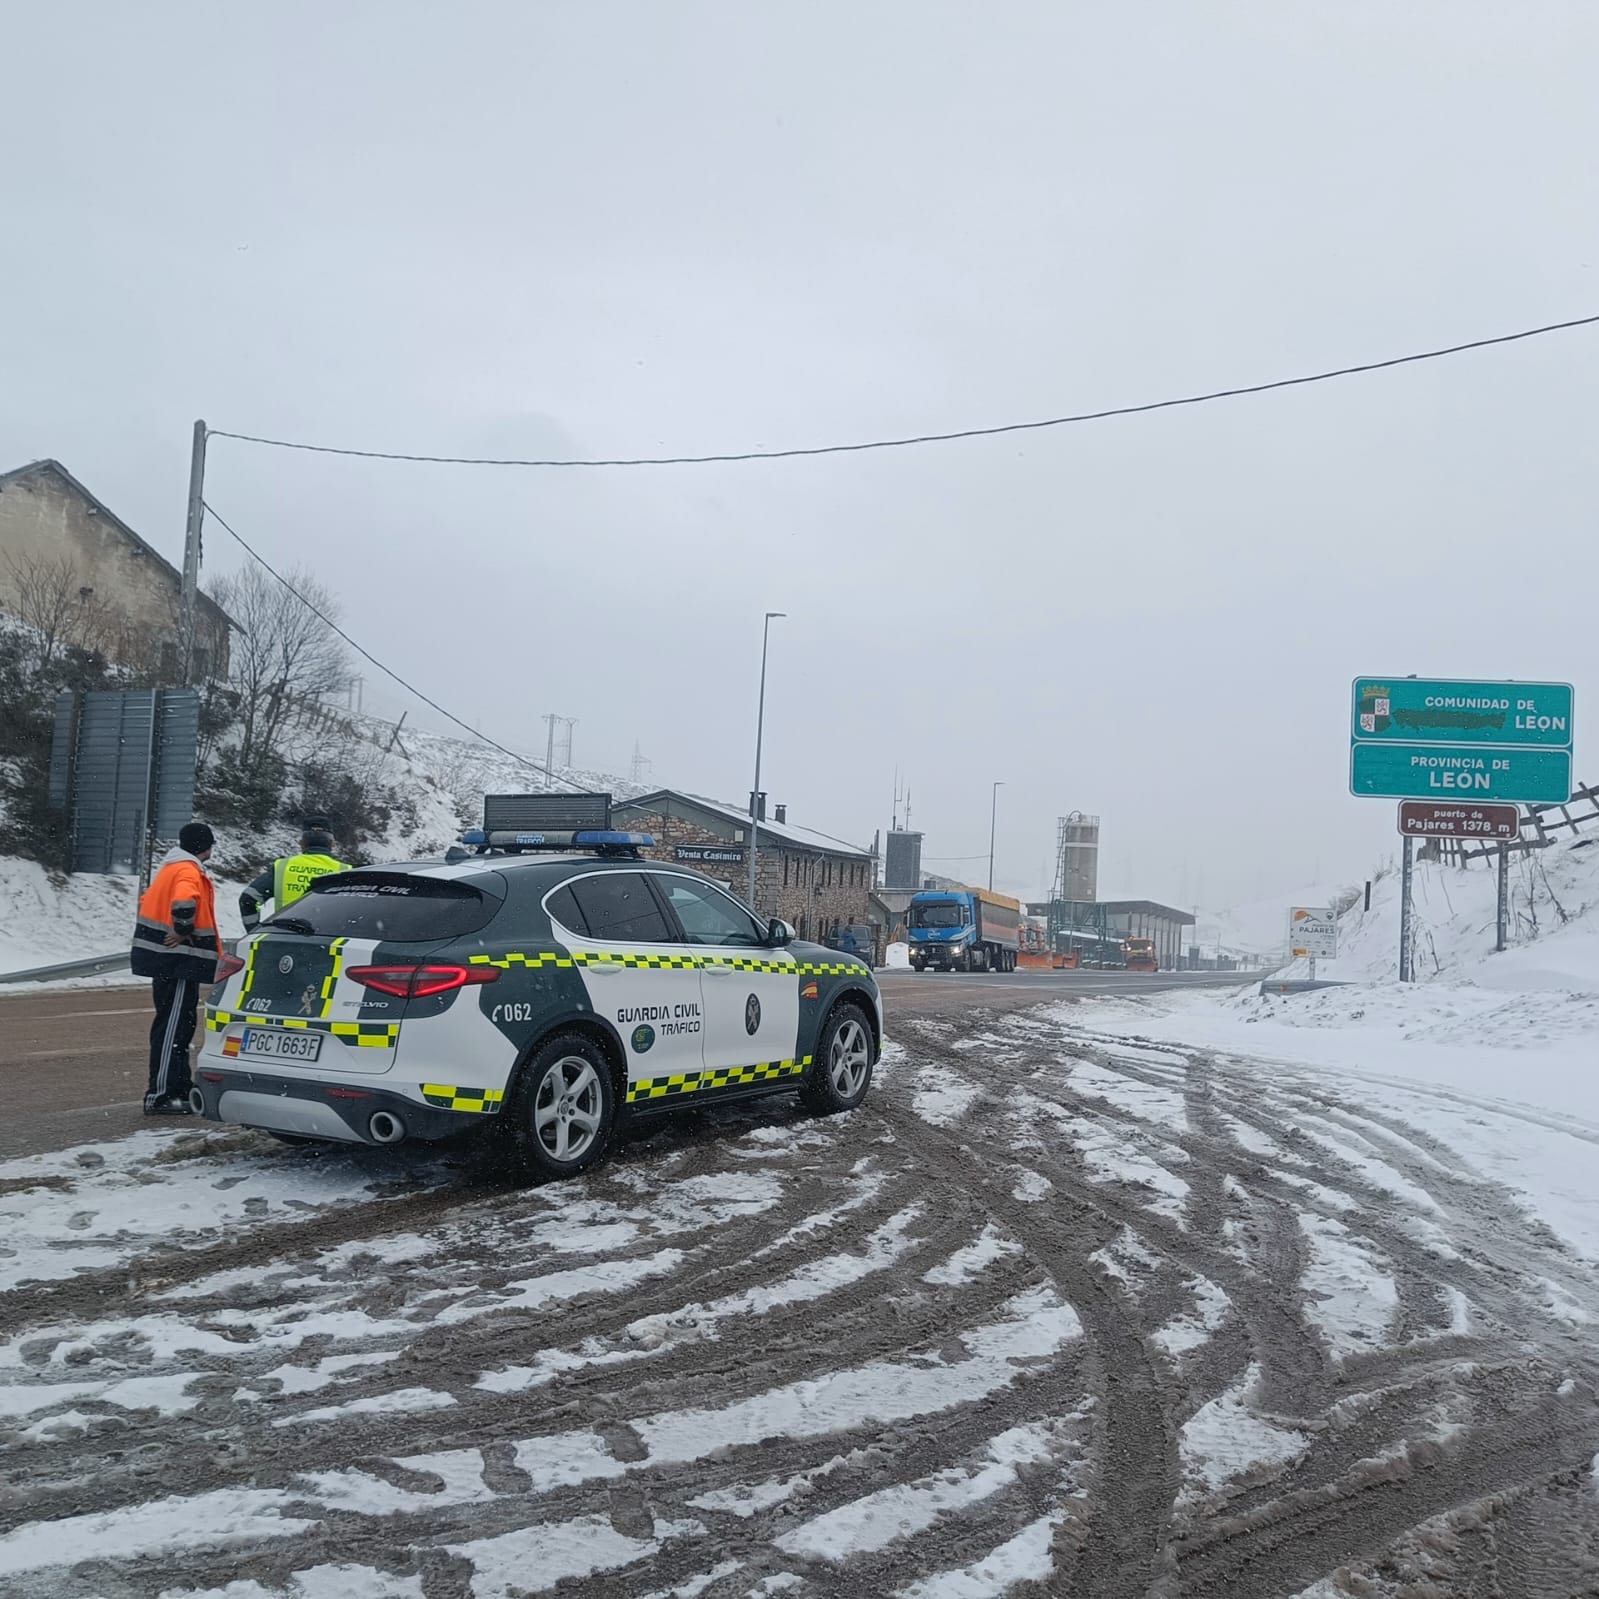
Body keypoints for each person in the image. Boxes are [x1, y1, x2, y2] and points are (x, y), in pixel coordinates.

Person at [131, 821, 220, 1115]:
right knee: (173, 1026)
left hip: (170, 958)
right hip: (178, 958)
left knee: (179, 1024)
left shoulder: (172, 867)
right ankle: (161, 1095)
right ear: (203, 846)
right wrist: (183, 928)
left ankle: (178, 1087)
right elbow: (184, 900)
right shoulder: (186, 870)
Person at [239, 818, 343, 931]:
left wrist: (254, 930)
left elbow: (248, 899)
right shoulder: (345, 872)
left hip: (284, 937)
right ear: (332, 844)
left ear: (301, 843)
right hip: (328, 940)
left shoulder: (282, 868)